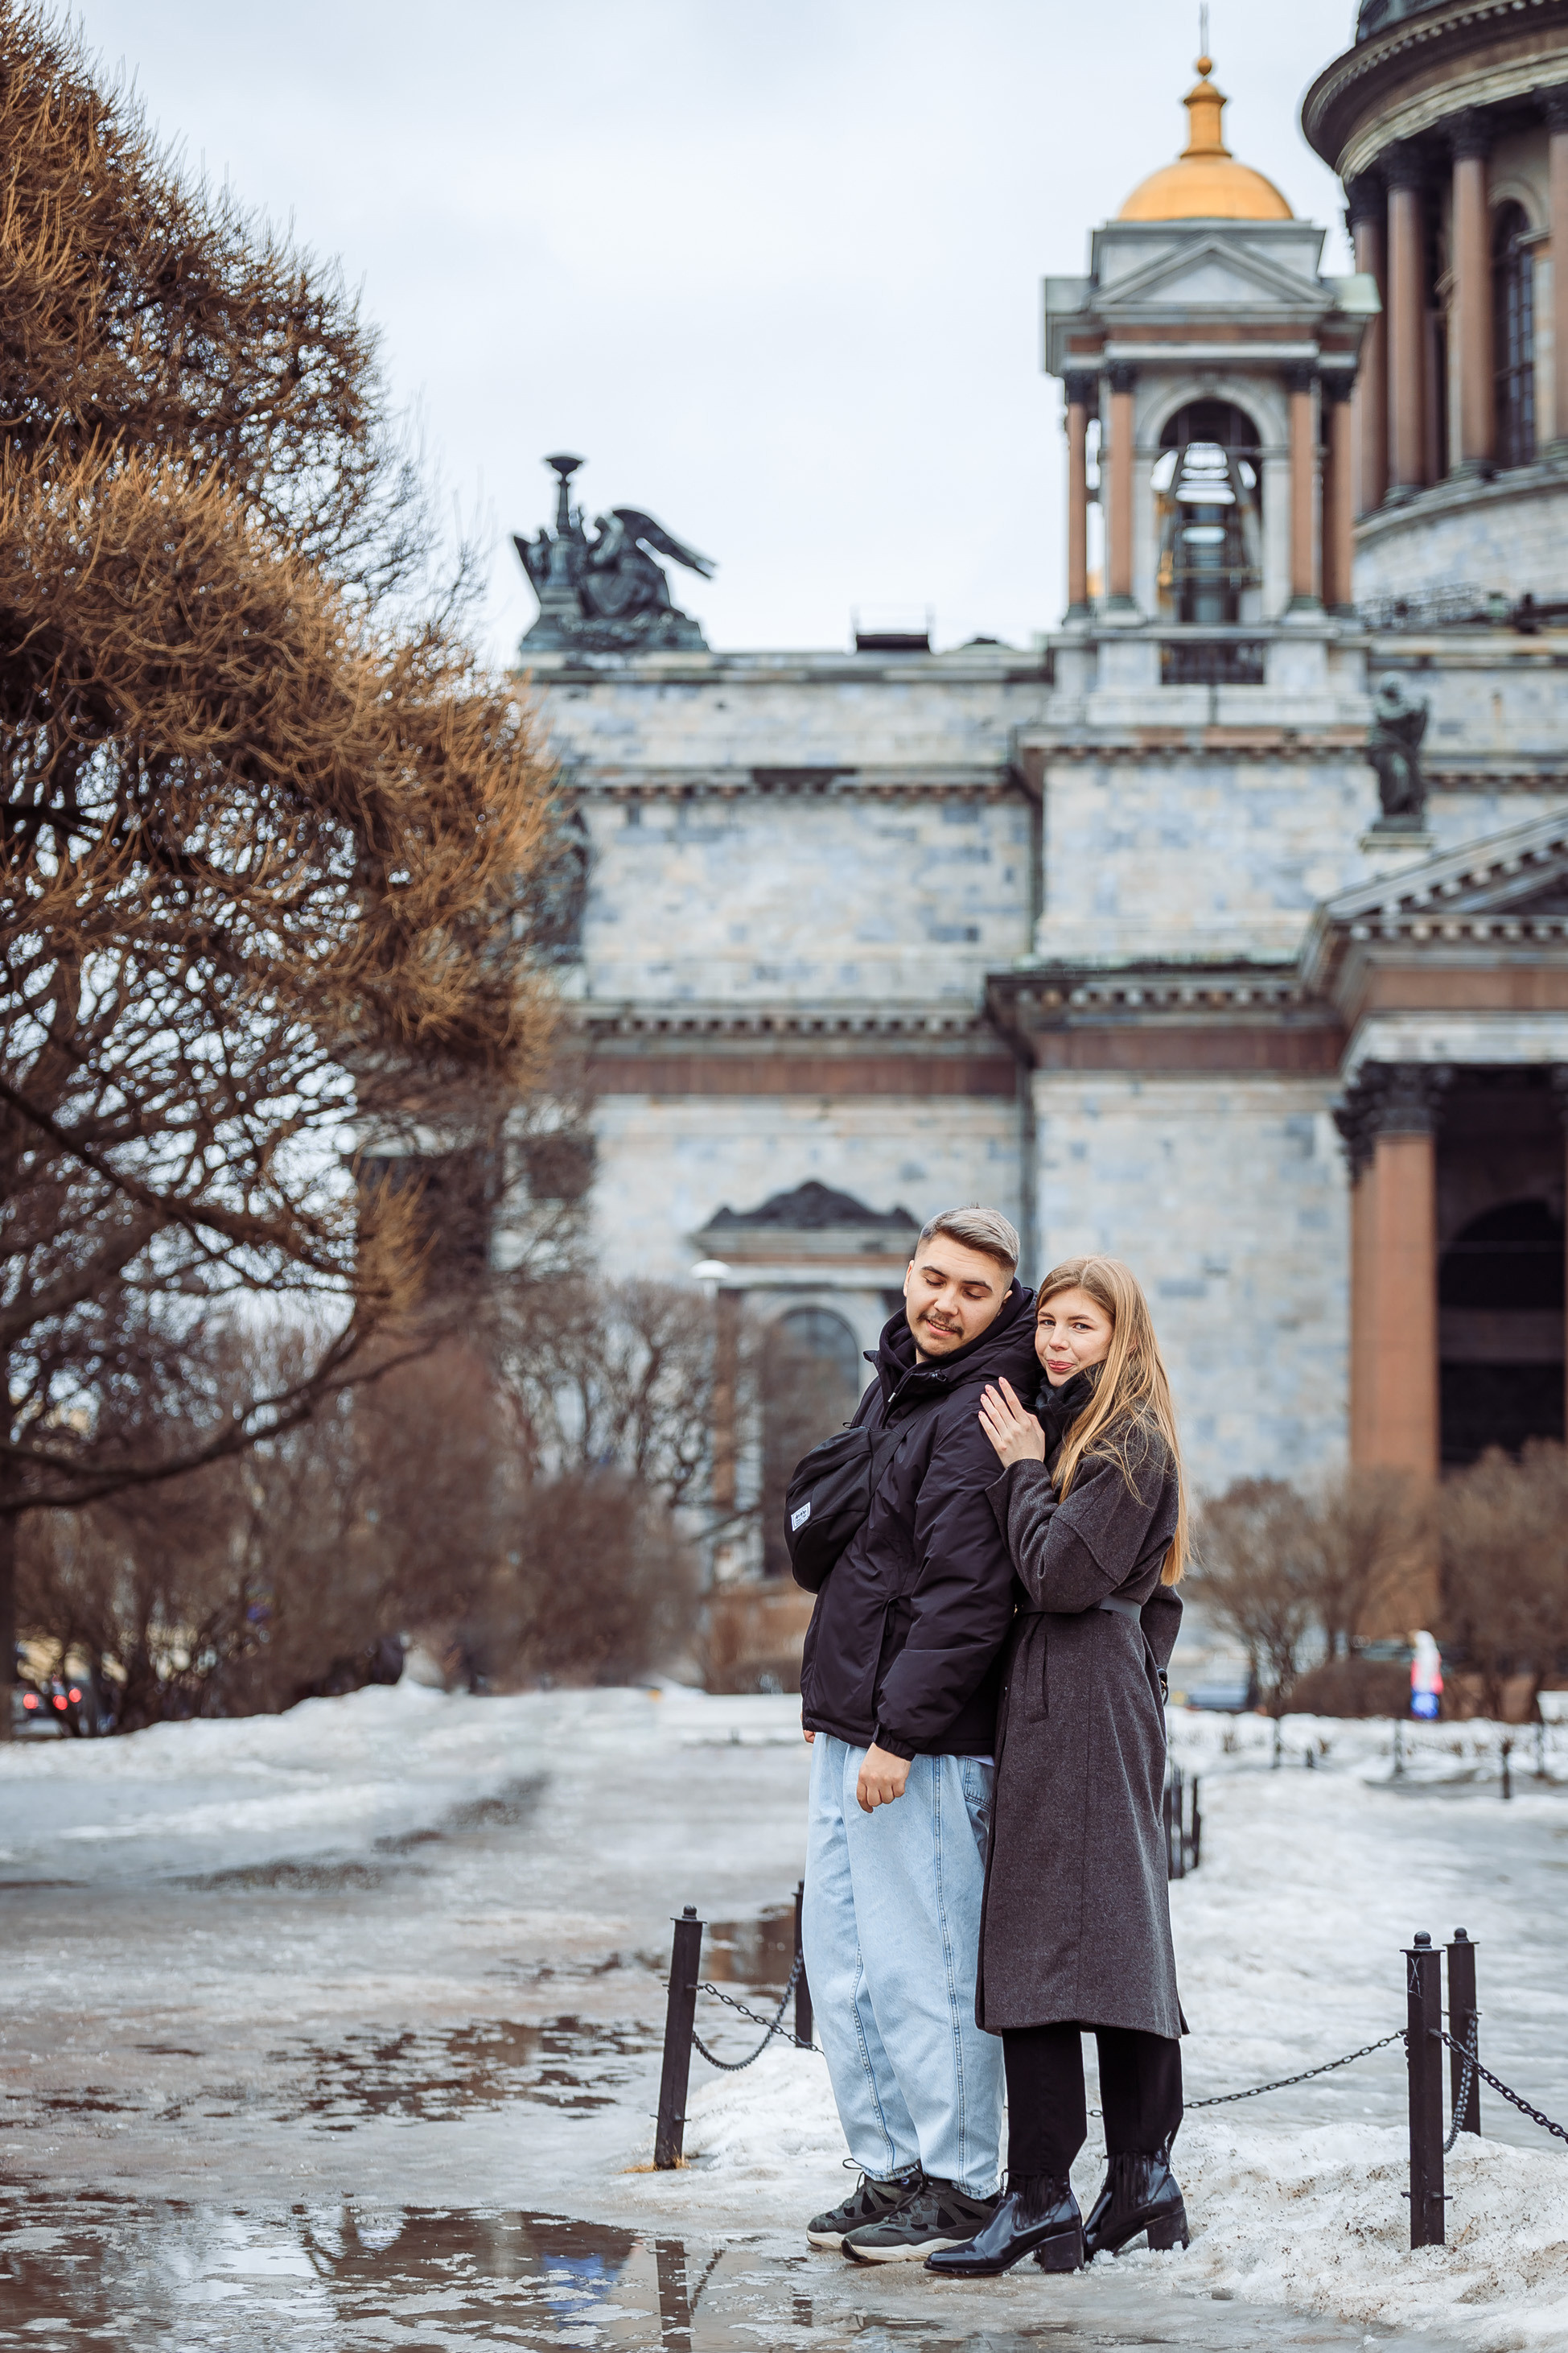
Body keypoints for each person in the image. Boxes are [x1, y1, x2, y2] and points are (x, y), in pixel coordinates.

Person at [927, 1255, 1190, 2280]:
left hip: (1079, 1698)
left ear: (1120, 1337)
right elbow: (1151, 1599)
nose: (1055, 1341)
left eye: (1080, 1325)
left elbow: (1059, 1573)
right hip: (1081, 1691)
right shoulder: (1088, 1429)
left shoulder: (1122, 1441)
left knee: (1040, 1939)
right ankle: (1138, 2178)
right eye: (1048, 1323)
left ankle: (1043, 2192)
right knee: (1107, 1932)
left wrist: (1022, 1468)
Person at [797, 1206, 1040, 2264]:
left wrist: (897, 1732)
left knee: (925, 1967)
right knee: (845, 1964)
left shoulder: (982, 1402)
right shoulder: (903, 1380)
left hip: (921, 1744)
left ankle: (963, 2182)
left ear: (1003, 1301)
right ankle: (891, 2168)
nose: (944, 1303)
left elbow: (965, 1595)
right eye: (933, 1278)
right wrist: (834, 1710)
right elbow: (870, 1560)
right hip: (853, 1723)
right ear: (908, 1273)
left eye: (971, 1290)